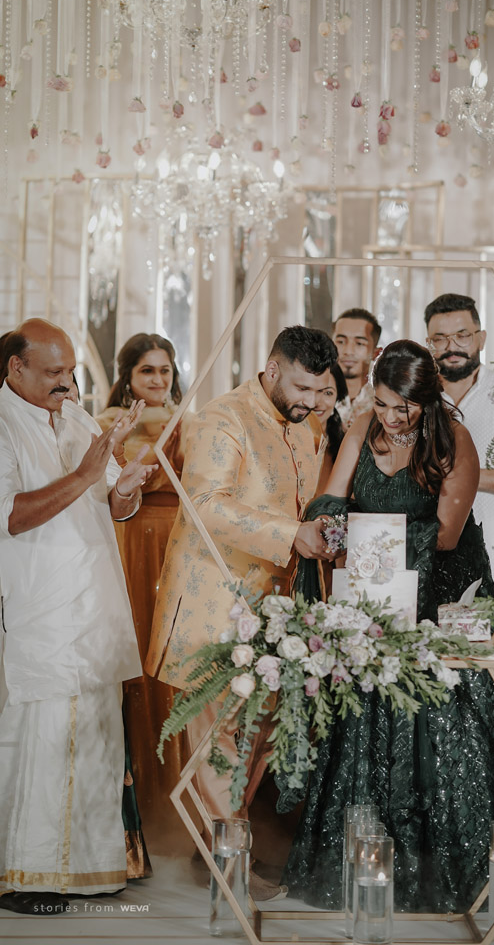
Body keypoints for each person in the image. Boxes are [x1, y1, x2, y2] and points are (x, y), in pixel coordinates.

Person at [282, 340, 494, 913]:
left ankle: (459, 867)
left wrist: (364, 539)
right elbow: (331, 499)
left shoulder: (453, 440)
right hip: (377, 594)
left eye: (405, 407)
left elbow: (444, 535)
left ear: (429, 400)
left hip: (445, 598)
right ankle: (370, 861)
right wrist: (330, 527)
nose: (392, 417)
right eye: (383, 403)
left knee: (445, 730)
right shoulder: (362, 426)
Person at [145, 326, 338, 837]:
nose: (310, 401)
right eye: (301, 387)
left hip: (273, 615)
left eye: (319, 390)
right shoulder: (223, 417)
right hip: (215, 605)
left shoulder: (301, 424)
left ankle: (226, 846)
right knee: (220, 740)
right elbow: (206, 506)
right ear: (272, 370)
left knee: (260, 735)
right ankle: (228, 863)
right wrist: (293, 535)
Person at [0, 319, 155, 915]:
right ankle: (27, 876)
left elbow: (114, 503)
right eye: (53, 373)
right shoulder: (3, 424)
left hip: (95, 604)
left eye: (70, 371)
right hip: (39, 608)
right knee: (41, 738)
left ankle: (90, 869)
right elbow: (11, 516)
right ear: (15, 368)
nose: (67, 383)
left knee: (95, 735)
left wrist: (126, 487)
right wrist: (87, 474)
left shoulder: (79, 418)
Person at [96, 334, 189, 830]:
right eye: (146, 370)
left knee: (174, 655)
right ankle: (137, 804)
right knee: (134, 650)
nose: (157, 379)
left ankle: (179, 797)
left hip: (179, 543)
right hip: (131, 541)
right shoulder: (108, 425)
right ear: (127, 377)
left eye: (164, 370)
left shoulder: (190, 421)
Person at [425, 293, 494, 702]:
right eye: (439, 338)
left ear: (481, 338)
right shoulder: (415, 397)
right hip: (432, 558)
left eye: (462, 335)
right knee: (440, 681)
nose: (451, 346)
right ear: (428, 343)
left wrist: (460, 478)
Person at [332, 308, 382, 430]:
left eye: (359, 343)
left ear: (376, 353)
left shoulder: (383, 400)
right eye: (341, 342)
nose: (348, 351)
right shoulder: (315, 396)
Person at [312, 361, 348, 487]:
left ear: (337, 399)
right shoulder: (285, 439)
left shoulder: (346, 444)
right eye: (313, 390)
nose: (318, 402)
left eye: (328, 393)